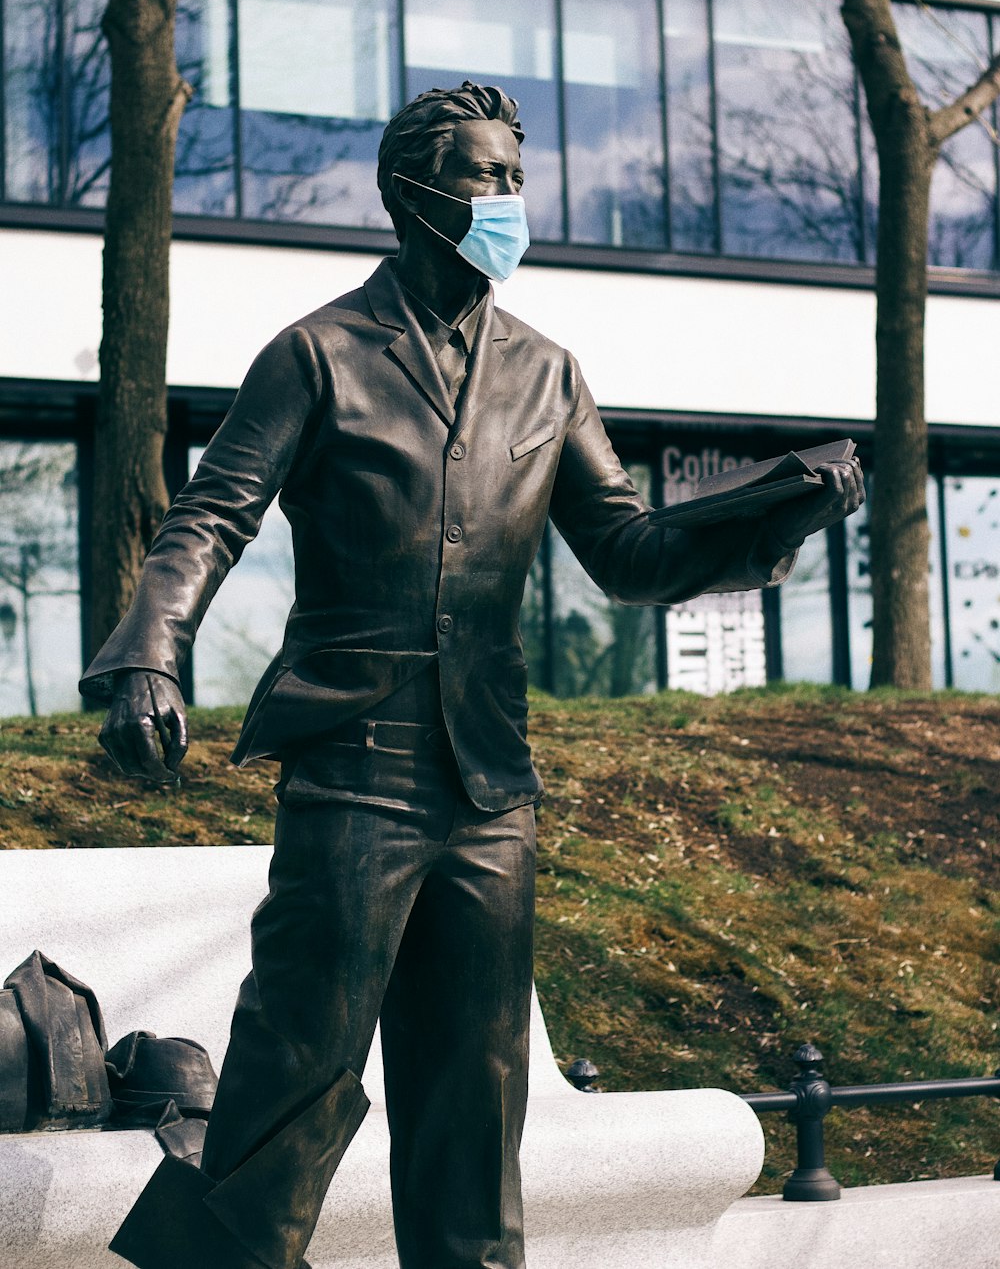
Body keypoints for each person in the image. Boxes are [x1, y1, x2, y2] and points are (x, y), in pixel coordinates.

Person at [83, 80, 864, 1269]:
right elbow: (210, 514)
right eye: (485, 176)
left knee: (474, 1100)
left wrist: (775, 509)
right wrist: (149, 651)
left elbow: (632, 553)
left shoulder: (546, 374)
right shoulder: (318, 354)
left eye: (514, 175)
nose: (509, 199)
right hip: (353, 768)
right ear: (413, 194)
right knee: (296, 1073)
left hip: (491, 787)